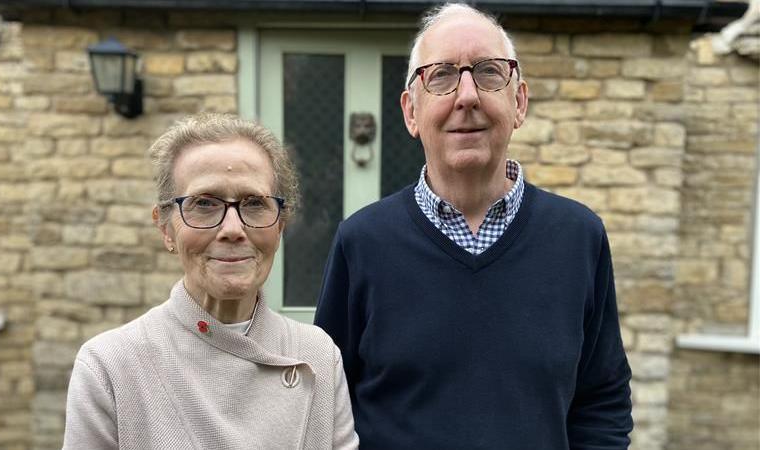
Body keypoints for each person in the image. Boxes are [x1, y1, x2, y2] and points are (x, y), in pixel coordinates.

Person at [314, 3, 633, 449]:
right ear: (411, 112)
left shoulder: (579, 237)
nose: (467, 96)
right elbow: (326, 405)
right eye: (442, 75)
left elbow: (602, 401)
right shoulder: (362, 243)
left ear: (518, 101)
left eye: (487, 72)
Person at [63, 113, 359, 449]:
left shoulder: (318, 355)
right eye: (204, 203)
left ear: (281, 224)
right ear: (165, 227)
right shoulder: (110, 367)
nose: (233, 229)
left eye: (254, 204)